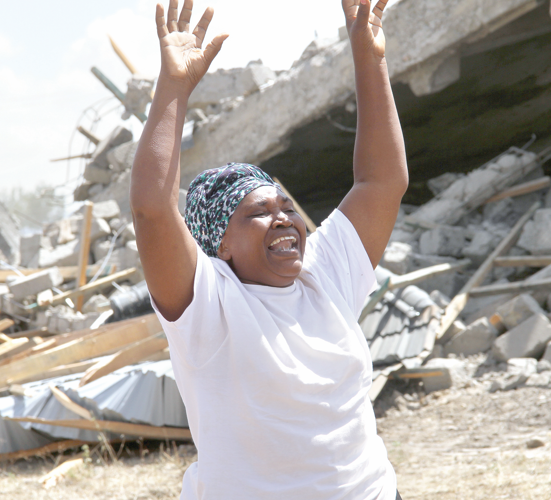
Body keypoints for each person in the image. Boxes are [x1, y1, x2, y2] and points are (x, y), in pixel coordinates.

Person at [129, 0, 407, 498]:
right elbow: (153, 209)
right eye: (257, 213)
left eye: (285, 205)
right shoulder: (207, 308)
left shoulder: (325, 274)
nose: (283, 217)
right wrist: (173, 87)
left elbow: (382, 182)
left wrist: (369, 55)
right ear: (221, 245)